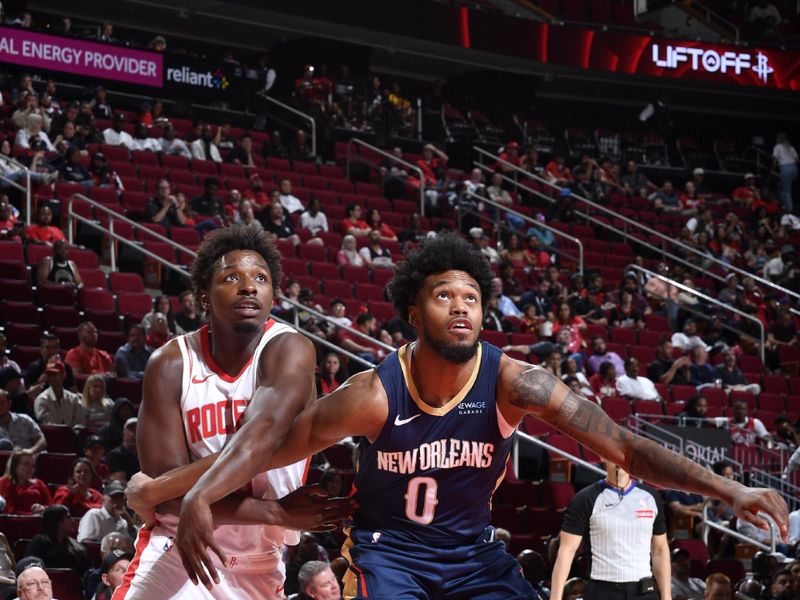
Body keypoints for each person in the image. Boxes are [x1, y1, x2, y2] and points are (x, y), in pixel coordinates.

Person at [127, 234, 788, 600]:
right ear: (414, 314)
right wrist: (169, 490)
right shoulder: (372, 393)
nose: (463, 306)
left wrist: (731, 489)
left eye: (472, 295)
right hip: (390, 557)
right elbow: (261, 450)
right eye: (444, 295)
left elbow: (626, 447)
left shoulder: (516, 383)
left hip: (474, 556)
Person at [114, 226, 354, 599]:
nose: (248, 286)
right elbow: (167, 497)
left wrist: (197, 495)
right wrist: (273, 512)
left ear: (273, 294)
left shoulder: (290, 349)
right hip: (179, 546)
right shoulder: (171, 363)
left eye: (260, 278)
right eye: (231, 277)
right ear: (204, 296)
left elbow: (258, 440)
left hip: (261, 559)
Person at [550, 462, 669, 600]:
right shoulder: (585, 498)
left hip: (644, 591)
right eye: (613, 453)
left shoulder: (651, 497)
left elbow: (660, 550)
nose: (618, 460)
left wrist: (667, 596)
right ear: (603, 456)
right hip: (603, 591)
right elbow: (566, 551)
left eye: (623, 454)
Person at [24, 504, 91, 575]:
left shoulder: (77, 546)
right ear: (56, 521)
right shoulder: (38, 543)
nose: (72, 520)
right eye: (68, 517)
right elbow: (30, 568)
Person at [33, 360, 86, 427]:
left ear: (63, 375)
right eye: (49, 375)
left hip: (71, 435)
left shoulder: (74, 398)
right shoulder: (42, 399)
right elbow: (46, 424)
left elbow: (80, 422)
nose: (51, 378)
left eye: (54, 375)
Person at [0, 449, 50, 514]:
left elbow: (51, 506)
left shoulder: (39, 483)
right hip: (14, 522)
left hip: (39, 521)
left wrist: (43, 508)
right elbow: (8, 511)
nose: (30, 468)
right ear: (15, 466)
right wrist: (32, 515)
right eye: (26, 464)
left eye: (33, 466)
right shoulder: (4, 482)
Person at [106, 418, 140, 483]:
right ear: (123, 434)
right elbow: (120, 483)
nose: (134, 435)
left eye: (137, 430)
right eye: (131, 430)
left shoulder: (148, 455)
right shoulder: (115, 455)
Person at [772, 132, 798, 213]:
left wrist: (772, 170)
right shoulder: (791, 147)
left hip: (785, 168)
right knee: (781, 186)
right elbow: (797, 160)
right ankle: (784, 204)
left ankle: (790, 210)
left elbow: (775, 159)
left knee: (786, 191)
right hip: (794, 169)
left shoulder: (777, 147)